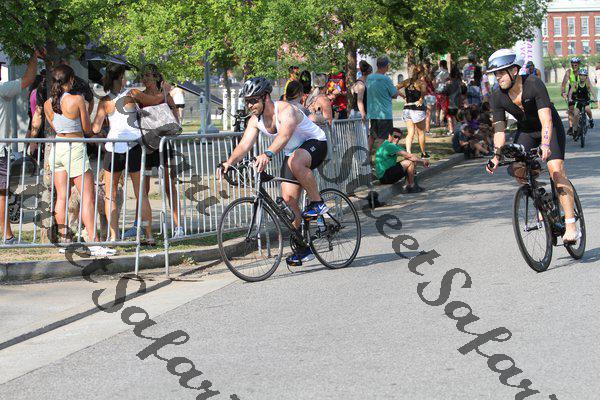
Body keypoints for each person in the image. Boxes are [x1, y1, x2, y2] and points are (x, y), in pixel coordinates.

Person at [220, 77, 328, 266]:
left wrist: (267, 154)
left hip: (315, 143)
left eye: (253, 100)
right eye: (247, 101)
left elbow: (285, 135)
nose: (250, 105)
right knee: (289, 202)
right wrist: (228, 163)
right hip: (293, 154)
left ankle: (317, 203)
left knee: (295, 161)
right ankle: (303, 248)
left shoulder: (285, 110)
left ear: (266, 97)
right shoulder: (255, 120)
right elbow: (244, 145)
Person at [485, 48, 580, 244]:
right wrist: (496, 156)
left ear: (514, 70)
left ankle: (571, 224)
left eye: (501, 72)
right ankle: (540, 201)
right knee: (519, 169)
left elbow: (546, 120)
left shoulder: (533, 84)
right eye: (495, 74)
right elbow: (500, 130)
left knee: (556, 170)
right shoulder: (497, 95)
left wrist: (545, 144)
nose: (498, 77)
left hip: (549, 128)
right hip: (526, 131)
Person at [41, 65, 116, 256]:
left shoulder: (48, 103)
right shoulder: (77, 99)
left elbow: (55, 127)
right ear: (72, 80)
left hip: (58, 146)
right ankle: (94, 242)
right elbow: (86, 128)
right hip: (74, 147)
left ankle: (65, 240)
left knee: (62, 196)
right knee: (87, 196)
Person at [91, 64, 165, 244]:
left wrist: (104, 127)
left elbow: (95, 128)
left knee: (110, 194)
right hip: (134, 146)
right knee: (141, 194)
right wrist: (165, 90)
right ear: (121, 78)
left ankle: (114, 236)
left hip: (114, 147)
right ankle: (149, 235)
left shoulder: (105, 101)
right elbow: (155, 100)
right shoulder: (133, 94)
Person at [123, 64, 183, 239]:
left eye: (149, 75)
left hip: (163, 144)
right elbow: (147, 104)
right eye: (144, 76)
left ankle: (179, 226)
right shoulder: (139, 95)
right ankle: (138, 225)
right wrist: (163, 94)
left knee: (169, 185)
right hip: (147, 144)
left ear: (156, 77)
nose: (145, 79)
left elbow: (175, 119)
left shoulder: (166, 96)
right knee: (143, 187)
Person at [0, 51, 40, 244]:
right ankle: (8, 237)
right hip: (0, 151)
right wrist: (34, 56)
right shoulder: (2, 89)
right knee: (2, 194)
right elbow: (28, 79)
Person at [366, 56, 398, 156]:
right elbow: (394, 94)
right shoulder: (386, 79)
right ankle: (378, 160)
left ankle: (366, 158)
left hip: (373, 112)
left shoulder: (369, 78)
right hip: (384, 113)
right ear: (386, 66)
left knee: (372, 137)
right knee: (382, 138)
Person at [398, 64, 429, 157]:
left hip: (407, 108)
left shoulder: (406, 81)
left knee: (410, 133)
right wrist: (421, 99)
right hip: (417, 109)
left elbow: (394, 88)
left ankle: (408, 152)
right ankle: (423, 153)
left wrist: (403, 96)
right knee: (421, 132)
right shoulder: (422, 83)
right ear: (422, 73)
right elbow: (423, 93)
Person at [568, 67, 595, 132]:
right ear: (579, 76)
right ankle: (575, 129)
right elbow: (570, 92)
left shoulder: (587, 84)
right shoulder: (576, 83)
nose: (582, 77)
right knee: (576, 114)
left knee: (587, 109)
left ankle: (591, 119)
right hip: (579, 101)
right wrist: (570, 98)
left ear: (586, 77)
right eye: (581, 75)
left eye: (584, 76)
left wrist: (595, 98)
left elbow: (593, 92)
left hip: (586, 101)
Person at [561, 57, 582, 136]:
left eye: (575, 65)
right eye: (572, 65)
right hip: (572, 92)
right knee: (570, 109)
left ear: (579, 65)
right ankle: (570, 127)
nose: (574, 66)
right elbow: (564, 83)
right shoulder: (569, 72)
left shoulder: (582, 71)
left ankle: (582, 119)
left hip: (581, 91)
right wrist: (563, 92)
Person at [445, 66, 462, 136]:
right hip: (457, 102)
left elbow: (445, 92)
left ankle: (451, 130)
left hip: (450, 103)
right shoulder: (459, 83)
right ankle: (456, 130)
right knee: (456, 117)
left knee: (449, 116)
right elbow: (460, 93)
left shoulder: (449, 84)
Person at [435, 60, 450, 131]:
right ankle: (441, 122)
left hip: (436, 92)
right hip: (443, 92)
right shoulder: (446, 72)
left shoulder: (436, 72)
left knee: (437, 108)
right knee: (443, 108)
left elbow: (435, 82)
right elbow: (448, 81)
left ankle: (437, 122)